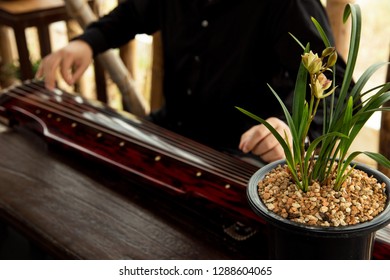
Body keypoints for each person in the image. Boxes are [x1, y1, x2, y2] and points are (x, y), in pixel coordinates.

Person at [36, 0, 348, 164]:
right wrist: (87, 42)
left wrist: (290, 126)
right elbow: (134, 12)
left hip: (243, 152)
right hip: (172, 129)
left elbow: (335, 80)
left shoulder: (286, 2)